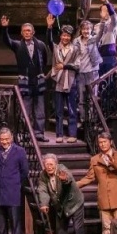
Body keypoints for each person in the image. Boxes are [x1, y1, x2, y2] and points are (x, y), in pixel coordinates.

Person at [76, 132, 117, 234]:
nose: (102, 144)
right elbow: (89, 177)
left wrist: (113, 163)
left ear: (110, 142)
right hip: (104, 198)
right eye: (100, 142)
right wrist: (74, 185)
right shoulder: (95, 159)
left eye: (105, 142)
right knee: (106, 227)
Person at [1, 15, 49, 141]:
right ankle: (26, 134)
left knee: (40, 111)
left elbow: (44, 60)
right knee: (25, 110)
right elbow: (7, 41)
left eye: (29, 30)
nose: (27, 33)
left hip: (38, 81)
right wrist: (5, 28)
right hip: (25, 82)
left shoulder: (41, 45)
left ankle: (39, 133)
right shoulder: (17, 45)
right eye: (24, 31)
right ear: (21, 33)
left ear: (33, 32)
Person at [36, 153, 88, 234]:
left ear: (56, 164)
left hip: (74, 203)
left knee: (78, 230)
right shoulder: (43, 175)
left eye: (51, 164)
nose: (49, 167)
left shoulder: (62, 169)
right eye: (47, 164)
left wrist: (64, 179)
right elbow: (42, 190)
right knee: (60, 230)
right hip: (60, 206)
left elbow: (68, 179)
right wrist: (44, 204)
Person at [47, 15, 79, 143]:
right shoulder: (56, 48)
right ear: (60, 36)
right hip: (58, 82)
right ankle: (59, 134)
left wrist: (64, 66)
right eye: (63, 35)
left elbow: (77, 66)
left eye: (68, 36)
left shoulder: (75, 49)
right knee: (59, 111)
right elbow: (49, 41)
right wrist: (49, 27)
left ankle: (73, 134)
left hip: (71, 82)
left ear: (71, 37)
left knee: (71, 110)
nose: (65, 38)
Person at [73, 19, 104, 121]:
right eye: (84, 29)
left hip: (92, 72)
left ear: (91, 30)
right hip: (80, 73)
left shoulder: (94, 39)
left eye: (88, 29)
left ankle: (91, 118)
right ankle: (83, 119)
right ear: (81, 30)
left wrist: (103, 22)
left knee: (92, 97)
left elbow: (100, 33)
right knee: (81, 99)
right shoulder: (76, 41)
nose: (86, 31)